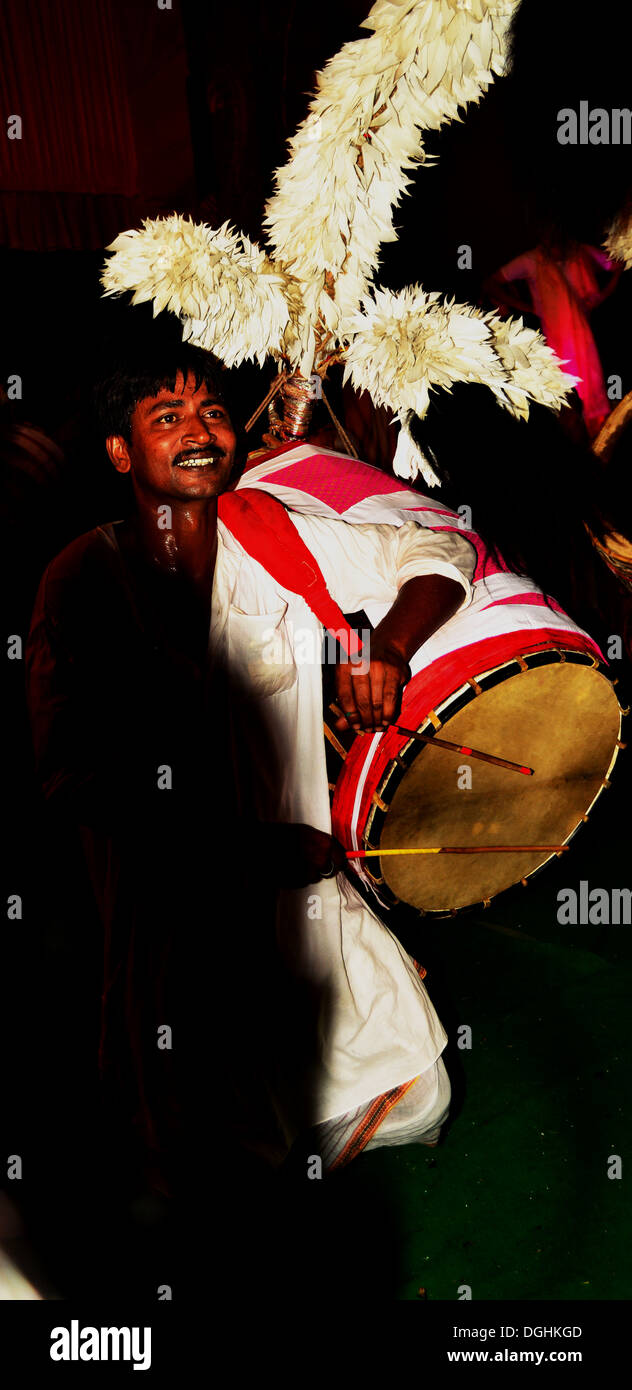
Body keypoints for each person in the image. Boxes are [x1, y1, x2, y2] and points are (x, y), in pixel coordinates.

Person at [25, 340, 476, 1199]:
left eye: (214, 413)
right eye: (168, 419)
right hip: (175, 929)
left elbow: (436, 550)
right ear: (120, 452)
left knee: (415, 1094)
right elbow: (69, 774)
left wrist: (382, 649)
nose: (200, 433)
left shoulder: (269, 533)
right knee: (203, 1165)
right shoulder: (79, 580)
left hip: (302, 905)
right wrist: (241, 851)